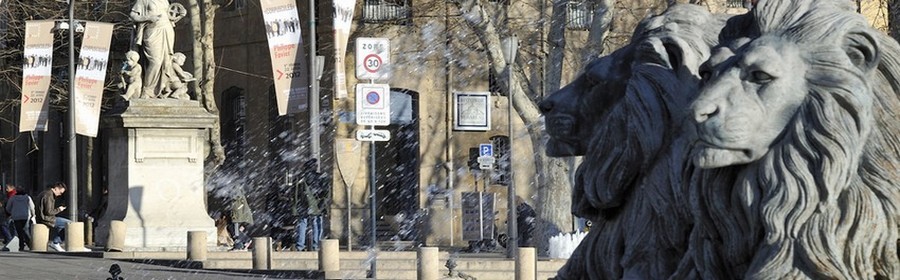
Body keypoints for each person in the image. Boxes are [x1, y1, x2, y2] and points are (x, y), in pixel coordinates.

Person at [130, 0, 175, 98]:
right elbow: (133, 15)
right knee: (155, 61)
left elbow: (171, 16)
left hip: (167, 30)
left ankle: (163, 89)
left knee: (166, 62)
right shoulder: (143, 1)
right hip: (152, 31)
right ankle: (147, 90)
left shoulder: (165, 1)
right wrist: (148, 17)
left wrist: (179, 16)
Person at [296, 159, 328, 251]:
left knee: (302, 224)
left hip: (303, 204)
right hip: (317, 205)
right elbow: (325, 191)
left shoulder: (301, 177)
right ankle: (316, 245)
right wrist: (323, 200)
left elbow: (296, 192)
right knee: (317, 224)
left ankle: (300, 246)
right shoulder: (320, 177)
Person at [36, 182, 69, 252]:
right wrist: (59, 209)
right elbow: (49, 212)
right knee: (69, 224)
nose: (60, 195)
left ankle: (56, 242)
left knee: (62, 225)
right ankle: (56, 242)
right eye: (60, 192)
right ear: (56, 188)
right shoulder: (49, 195)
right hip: (46, 219)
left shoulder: (45, 193)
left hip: (42, 217)